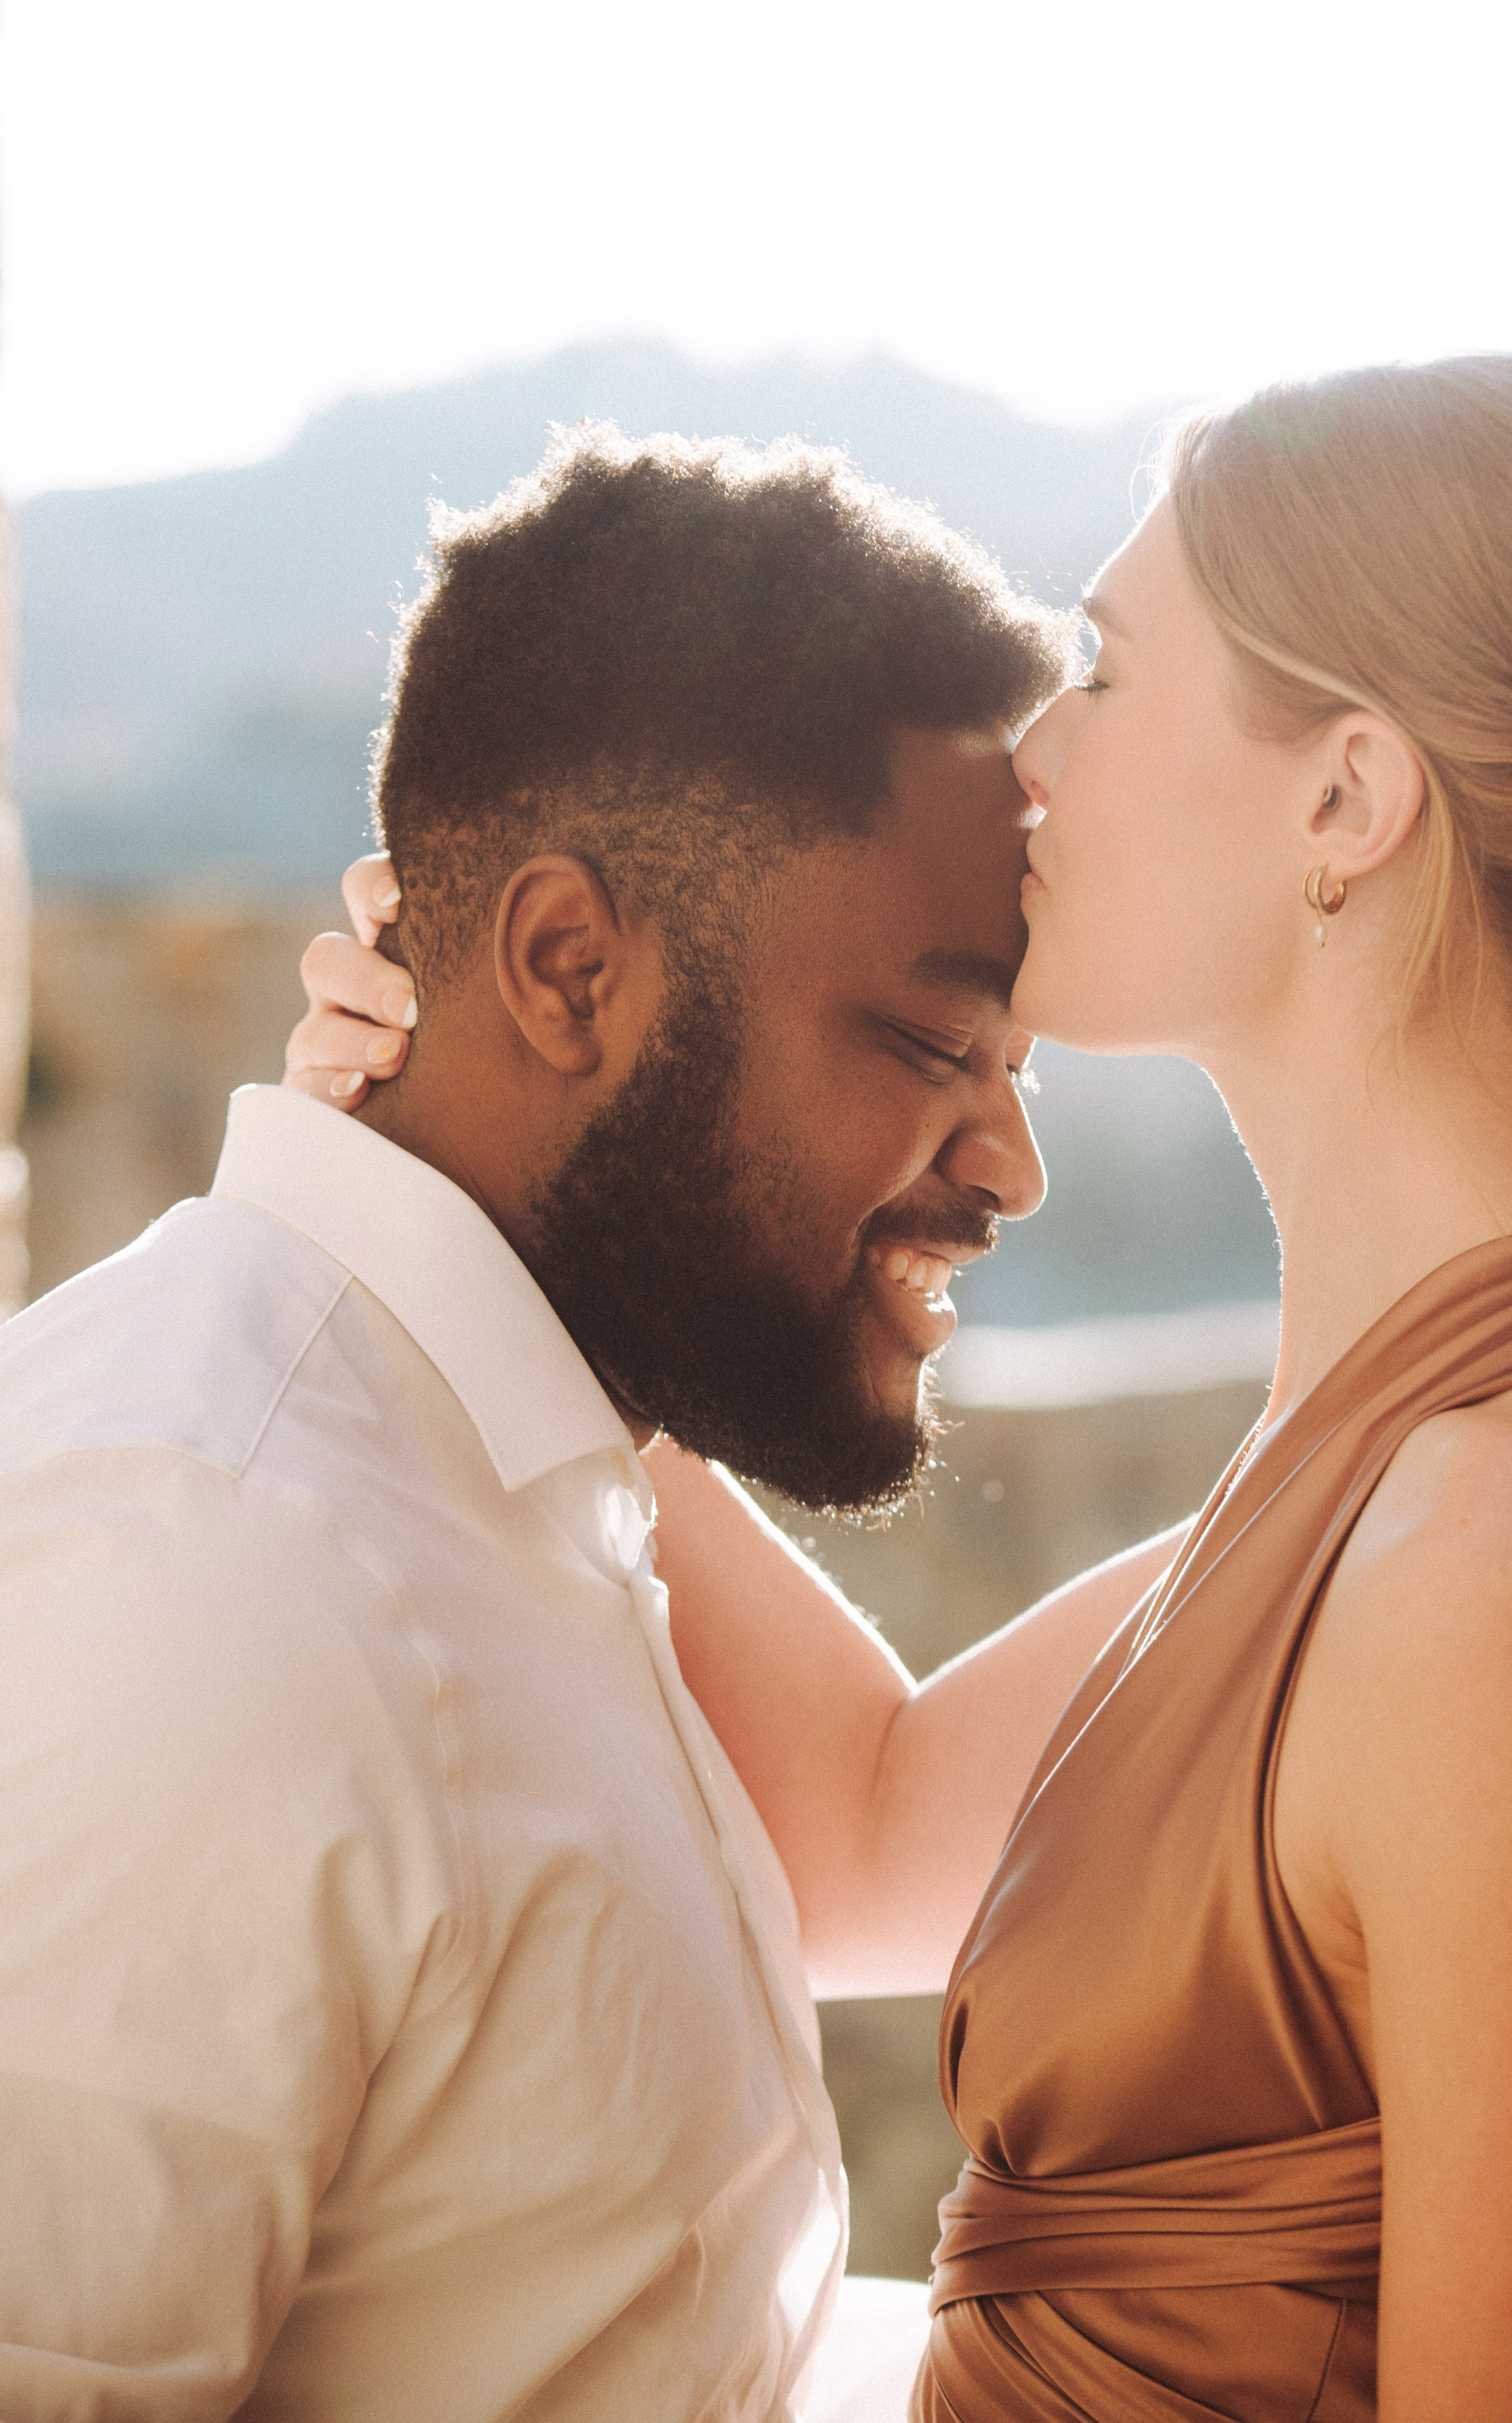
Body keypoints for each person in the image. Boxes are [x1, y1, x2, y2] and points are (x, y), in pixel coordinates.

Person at [304, 355, 1512, 2423]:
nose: (1034, 755)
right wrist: (510, 1178)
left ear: (1348, 800)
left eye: (1108, 675)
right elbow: (863, 1835)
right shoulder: (1430, 1444)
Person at [0, 429, 1191, 2422]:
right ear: (568, 965)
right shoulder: (205, 1579)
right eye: (929, 1041)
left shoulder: (512, 1473)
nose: (1011, 1169)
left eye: (1024, 1069)